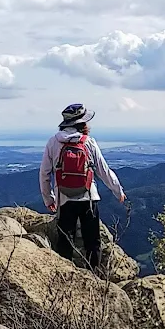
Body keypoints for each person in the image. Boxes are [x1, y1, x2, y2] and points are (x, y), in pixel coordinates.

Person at [39, 103, 126, 270]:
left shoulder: (53, 142)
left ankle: (64, 276)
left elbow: (44, 173)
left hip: (63, 198)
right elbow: (103, 170)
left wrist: (48, 198)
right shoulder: (89, 142)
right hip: (88, 197)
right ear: (81, 123)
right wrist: (118, 191)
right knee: (92, 241)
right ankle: (94, 277)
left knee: (65, 240)